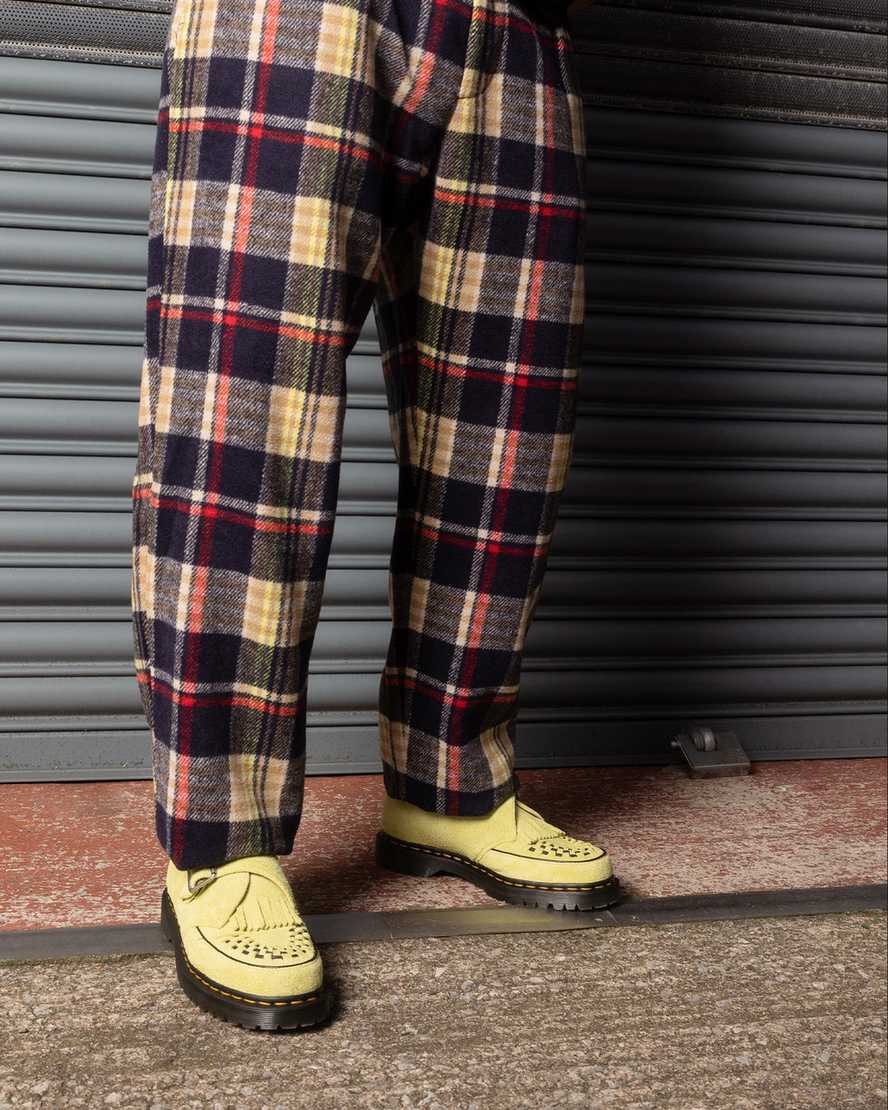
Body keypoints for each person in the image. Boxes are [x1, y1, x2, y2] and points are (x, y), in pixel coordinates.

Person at [131, 0, 621, 1031]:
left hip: (526, 31)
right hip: (301, 21)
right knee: (243, 422)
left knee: (506, 443)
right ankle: (220, 843)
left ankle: (450, 786)